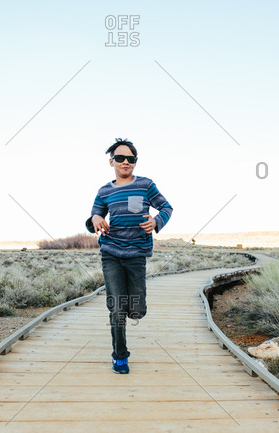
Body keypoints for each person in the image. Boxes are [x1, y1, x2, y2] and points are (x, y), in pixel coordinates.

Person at [85, 138, 173, 374]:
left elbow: (167, 207)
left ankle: (129, 310)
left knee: (136, 310)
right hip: (111, 253)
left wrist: (156, 221)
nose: (126, 162)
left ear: (135, 162)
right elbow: (94, 216)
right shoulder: (104, 191)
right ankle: (120, 356)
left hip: (136, 255)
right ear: (111, 161)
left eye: (131, 159)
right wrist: (94, 218)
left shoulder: (145, 185)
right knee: (117, 307)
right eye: (121, 158)